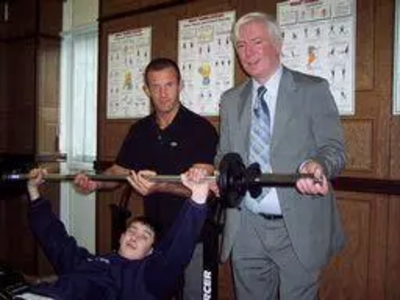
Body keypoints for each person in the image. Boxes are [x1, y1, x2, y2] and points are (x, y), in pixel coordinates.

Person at [215, 12, 346, 300]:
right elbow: (223, 156)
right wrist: (213, 174)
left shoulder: (313, 90)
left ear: (277, 44)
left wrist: (318, 164)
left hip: (297, 225)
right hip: (245, 226)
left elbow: (334, 150)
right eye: (240, 45)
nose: (247, 52)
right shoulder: (230, 99)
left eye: (256, 42)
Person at [74, 57, 218, 300]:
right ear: (146, 90)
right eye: (156, 86)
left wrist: (159, 186)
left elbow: (204, 189)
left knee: (195, 296)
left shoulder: (201, 129)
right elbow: (119, 172)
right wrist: (95, 182)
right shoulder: (140, 131)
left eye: (169, 85)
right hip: (156, 237)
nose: (163, 94)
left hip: (195, 235)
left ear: (180, 86)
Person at [16, 167, 210, 300]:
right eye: (131, 230)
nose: (134, 236)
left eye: (144, 236)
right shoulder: (87, 261)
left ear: (151, 252)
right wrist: (33, 189)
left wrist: (198, 198)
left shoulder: (147, 279)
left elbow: (176, 252)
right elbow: (54, 237)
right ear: (121, 237)